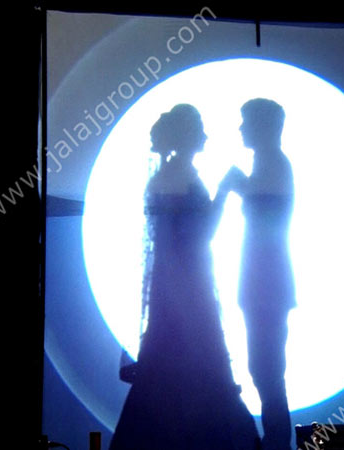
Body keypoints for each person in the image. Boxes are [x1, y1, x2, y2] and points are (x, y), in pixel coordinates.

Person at [110, 104, 259, 450]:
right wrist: (225, 190)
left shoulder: (172, 175)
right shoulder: (177, 177)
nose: (205, 135)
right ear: (187, 136)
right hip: (187, 295)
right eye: (199, 129)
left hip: (179, 293)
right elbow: (199, 235)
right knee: (195, 374)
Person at [222, 98, 296, 450]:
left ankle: (277, 442)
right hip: (264, 285)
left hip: (267, 286)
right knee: (264, 368)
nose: (241, 128)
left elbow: (268, 214)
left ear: (265, 126)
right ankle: (275, 440)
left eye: (246, 121)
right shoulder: (269, 163)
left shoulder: (274, 164)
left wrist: (239, 185)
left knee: (267, 370)